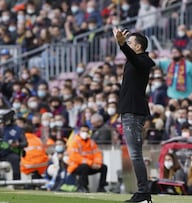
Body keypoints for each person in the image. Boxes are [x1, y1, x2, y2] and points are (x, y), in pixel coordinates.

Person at [113, 28, 154, 202]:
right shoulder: (135, 61)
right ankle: (142, 192)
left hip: (134, 112)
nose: (128, 45)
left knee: (135, 154)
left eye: (130, 42)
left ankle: (144, 193)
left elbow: (133, 58)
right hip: (129, 110)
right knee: (135, 153)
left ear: (138, 46)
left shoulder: (143, 61)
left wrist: (122, 44)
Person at [65, 124, 108, 193]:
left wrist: (97, 164)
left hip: (90, 165)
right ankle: (83, 186)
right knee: (84, 167)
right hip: (75, 166)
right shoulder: (75, 142)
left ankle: (101, 187)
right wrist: (91, 163)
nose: (84, 133)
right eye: (83, 131)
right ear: (79, 131)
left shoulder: (91, 142)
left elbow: (97, 154)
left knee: (103, 167)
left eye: (86, 131)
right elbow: (75, 157)